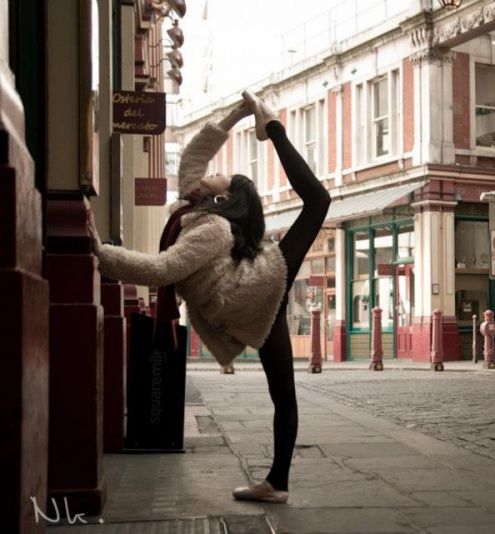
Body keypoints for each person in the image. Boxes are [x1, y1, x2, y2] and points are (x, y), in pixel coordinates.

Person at [88, 90, 330, 503]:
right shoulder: (193, 209)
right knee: (283, 394)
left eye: (222, 175)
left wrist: (100, 254)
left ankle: (275, 128)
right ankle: (278, 483)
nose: (211, 172)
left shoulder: (211, 228)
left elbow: (161, 270)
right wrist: (237, 112)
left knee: (319, 201)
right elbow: (194, 157)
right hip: (252, 301)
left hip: (255, 287)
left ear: (224, 198)